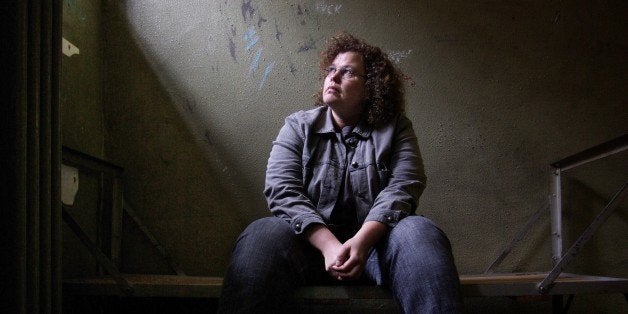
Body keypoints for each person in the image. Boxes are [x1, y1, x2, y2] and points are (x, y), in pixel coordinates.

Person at [218, 32, 462, 313]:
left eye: (347, 72)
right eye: (331, 70)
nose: (333, 77)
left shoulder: (397, 129)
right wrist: (329, 247)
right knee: (262, 232)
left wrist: (360, 243)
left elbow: (404, 186)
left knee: (419, 232)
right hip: (307, 248)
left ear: (371, 88)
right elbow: (281, 189)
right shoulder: (297, 126)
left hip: (376, 248)